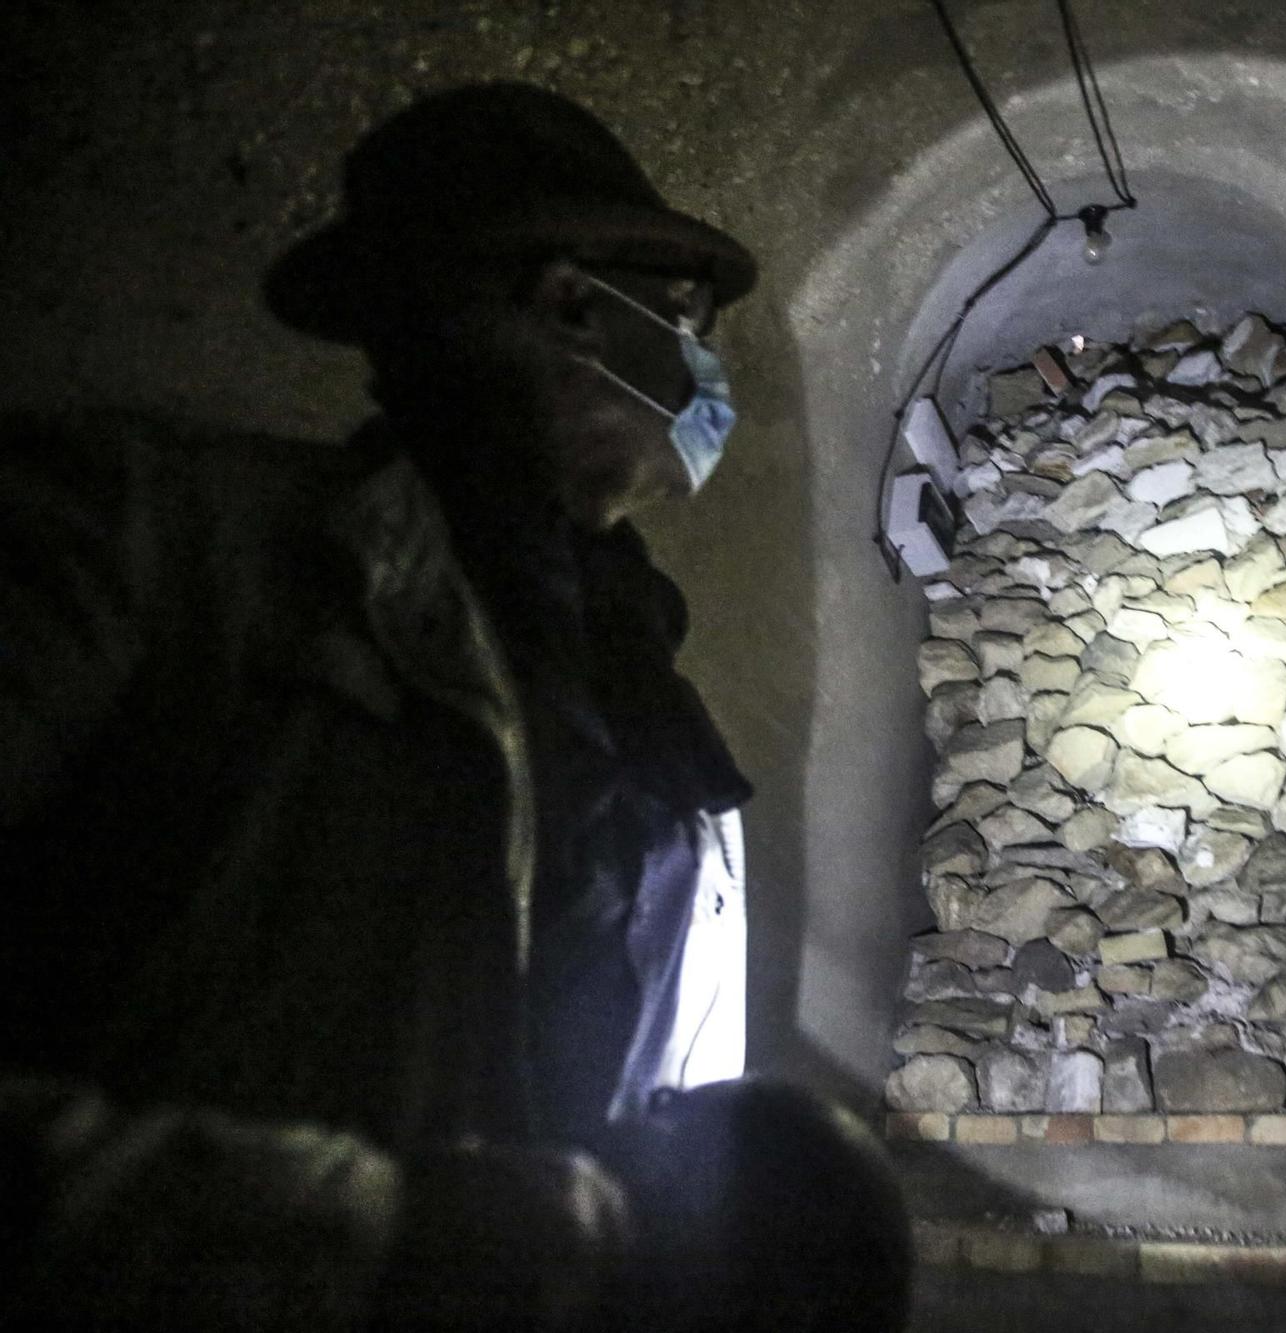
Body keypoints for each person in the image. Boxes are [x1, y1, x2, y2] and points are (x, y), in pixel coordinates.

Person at [0, 83, 909, 1328]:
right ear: (572, 307)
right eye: (689, 318)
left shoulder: (635, 687)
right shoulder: (144, 548)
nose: (707, 372)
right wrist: (361, 1235)